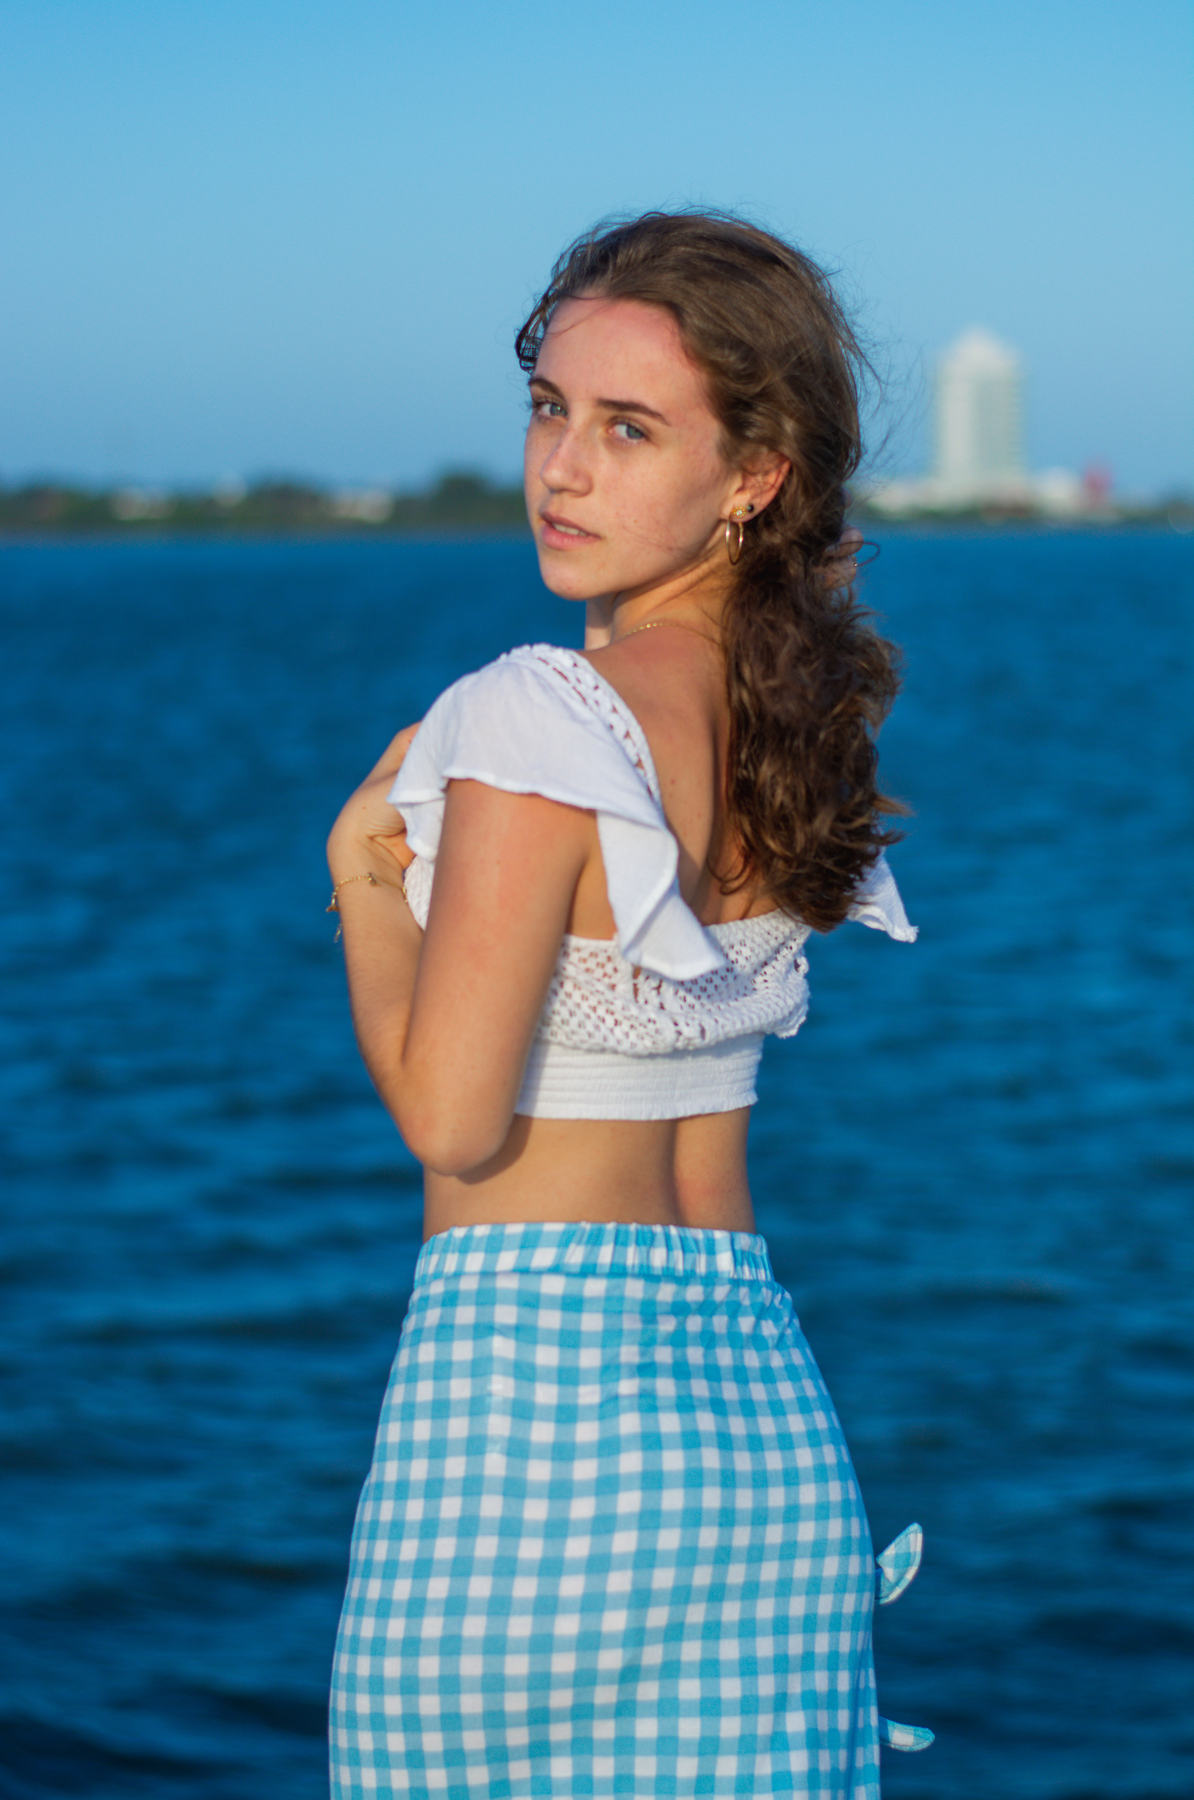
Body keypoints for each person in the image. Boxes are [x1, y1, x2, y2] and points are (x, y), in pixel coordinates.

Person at [326, 212, 932, 1799]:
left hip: (530, 1432)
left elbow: (455, 1123)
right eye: (550, 409)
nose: (563, 468)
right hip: (758, 1431)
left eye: (628, 427)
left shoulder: (540, 711)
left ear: (756, 472)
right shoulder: (796, 730)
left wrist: (363, 886)